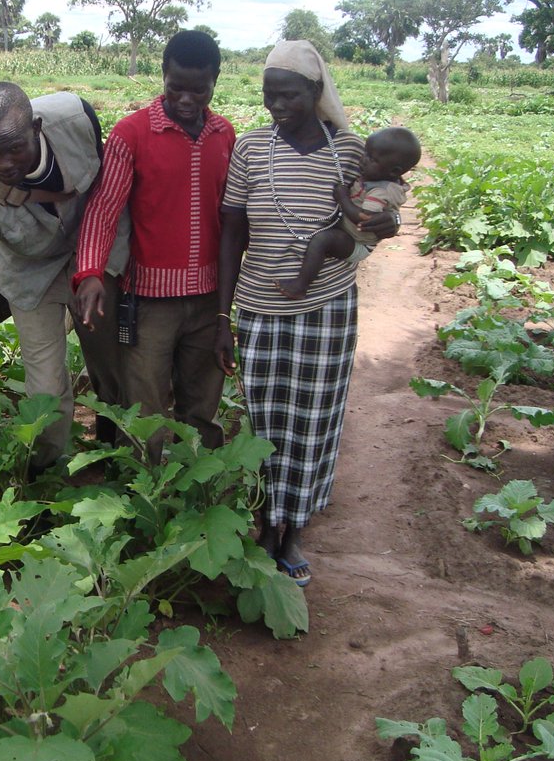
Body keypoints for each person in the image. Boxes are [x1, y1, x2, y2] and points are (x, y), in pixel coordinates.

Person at [214, 40, 398, 587]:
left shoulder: (351, 152)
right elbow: (231, 235)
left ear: (316, 93)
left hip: (328, 304)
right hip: (260, 304)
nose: (279, 106)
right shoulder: (249, 150)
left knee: (315, 418)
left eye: (290, 95)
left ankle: (292, 527)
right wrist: (221, 316)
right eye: (271, 96)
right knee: (267, 418)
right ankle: (266, 521)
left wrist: (384, 225)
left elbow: (376, 215)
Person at [0, 82, 128, 478]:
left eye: (15, 147)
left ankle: (114, 448)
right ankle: (47, 475)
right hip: (31, 270)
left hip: (93, 248)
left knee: (110, 363)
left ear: (37, 126)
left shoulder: (76, 118)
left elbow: (104, 189)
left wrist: (94, 264)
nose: (5, 163)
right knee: (45, 391)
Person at [74, 29, 235, 463]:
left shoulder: (225, 134)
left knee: (202, 400)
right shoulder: (132, 134)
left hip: (207, 299)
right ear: (162, 75)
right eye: (175, 86)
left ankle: (198, 485)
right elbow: (104, 207)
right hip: (149, 301)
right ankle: (148, 495)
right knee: (145, 407)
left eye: (198, 89)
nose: (186, 98)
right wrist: (90, 272)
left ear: (215, 82)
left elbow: (232, 215)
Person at [276, 126, 420, 300]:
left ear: (394, 171)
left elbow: (363, 218)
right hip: (350, 231)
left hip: (358, 242)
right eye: (365, 153)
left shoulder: (381, 191)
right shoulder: (376, 176)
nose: (363, 160)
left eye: (371, 159)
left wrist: (342, 198)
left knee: (322, 240)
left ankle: (300, 286)